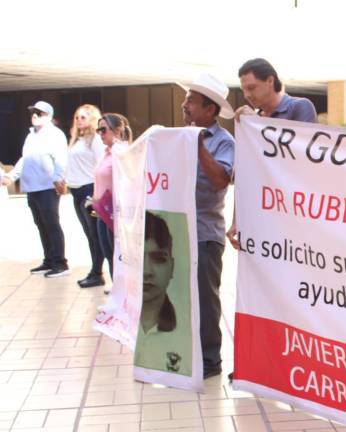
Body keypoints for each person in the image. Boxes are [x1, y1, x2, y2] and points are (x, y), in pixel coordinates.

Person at [226, 58, 318, 249]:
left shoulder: (299, 107)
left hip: (293, 220)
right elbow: (245, 176)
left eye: (252, 87)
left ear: (270, 80)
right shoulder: (254, 123)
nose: (247, 95)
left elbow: (302, 156)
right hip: (261, 220)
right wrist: (237, 219)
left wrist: (259, 127)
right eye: (244, 89)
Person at [179, 73, 235, 378]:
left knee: (205, 300)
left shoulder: (224, 142)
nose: (184, 104)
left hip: (205, 234)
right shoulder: (178, 135)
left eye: (192, 100)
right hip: (177, 232)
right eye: (186, 98)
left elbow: (220, 180)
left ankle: (210, 361)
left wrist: (198, 145)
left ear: (210, 110)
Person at [1, 101, 70, 277]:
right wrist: (12, 176)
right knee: (41, 224)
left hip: (47, 186)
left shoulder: (55, 135)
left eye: (39, 113)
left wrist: (58, 179)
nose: (34, 115)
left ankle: (60, 262)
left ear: (49, 116)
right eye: (33, 112)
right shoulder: (31, 135)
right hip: (32, 187)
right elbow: (25, 159)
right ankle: (49, 260)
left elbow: (61, 158)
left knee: (52, 224)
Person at [134, 210, 191, 376]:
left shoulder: (183, 329)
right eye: (139, 258)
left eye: (158, 259)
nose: (147, 271)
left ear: (172, 267)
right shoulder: (125, 325)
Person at [57, 104, 106, 288]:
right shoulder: (77, 139)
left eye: (83, 117)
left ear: (92, 118)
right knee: (89, 233)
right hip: (76, 190)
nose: (79, 120)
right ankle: (95, 270)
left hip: (89, 190)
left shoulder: (95, 139)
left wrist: (96, 194)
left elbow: (101, 164)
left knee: (95, 234)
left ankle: (97, 272)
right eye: (77, 117)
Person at [93, 113, 132, 292]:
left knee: (118, 254)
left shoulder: (122, 151)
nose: (100, 133)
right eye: (98, 130)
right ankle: (118, 287)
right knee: (108, 252)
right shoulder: (106, 152)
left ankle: (124, 290)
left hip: (116, 210)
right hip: (102, 209)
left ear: (117, 130)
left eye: (104, 129)